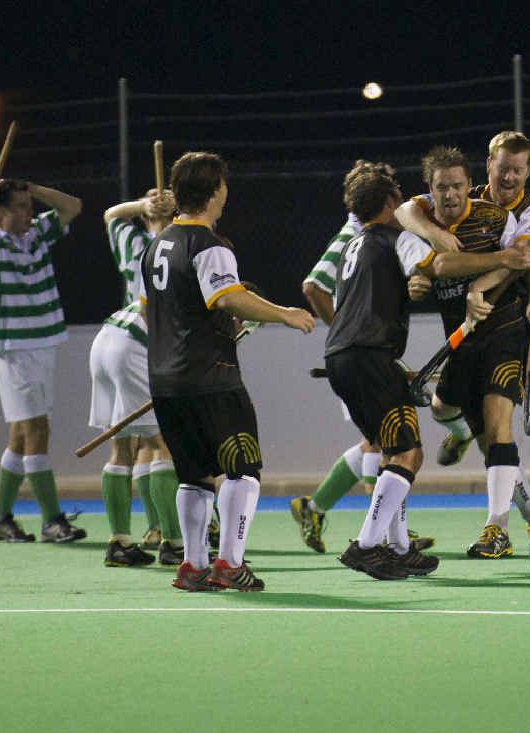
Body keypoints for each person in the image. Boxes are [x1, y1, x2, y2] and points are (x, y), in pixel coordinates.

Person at [140, 151, 315, 591]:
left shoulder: (155, 246)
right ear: (215, 191)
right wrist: (285, 313)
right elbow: (229, 297)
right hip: (211, 377)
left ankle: (193, 566)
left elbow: (152, 309)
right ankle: (229, 564)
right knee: (243, 469)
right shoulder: (209, 246)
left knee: (194, 475)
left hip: (165, 381)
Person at [405, 131, 530, 496]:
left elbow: (525, 261)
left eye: (517, 171)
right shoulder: (464, 194)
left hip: (522, 310)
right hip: (475, 320)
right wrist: (431, 236)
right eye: (503, 168)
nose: (509, 177)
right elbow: (406, 210)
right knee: (445, 407)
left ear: (528, 172)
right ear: (489, 165)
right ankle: (464, 436)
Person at [395, 145, 530, 570]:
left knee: (499, 429)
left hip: (505, 332)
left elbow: (526, 260)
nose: (450, 194)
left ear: (470, 184)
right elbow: (436, 267)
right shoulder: (415, 230)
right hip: (462, 341)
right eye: (441, 188)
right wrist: (418, 281)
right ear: (429, 191)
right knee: (467, 428)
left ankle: (495, 529)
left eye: (457, 186)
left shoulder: (497, 218)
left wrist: (492, 281)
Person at [325, 160, 476, 579]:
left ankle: (398, 546)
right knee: (410, 453)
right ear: (391, 202)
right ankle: (366, 545)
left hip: (340, 358)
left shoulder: (352, 245)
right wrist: (495, 260)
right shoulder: (399, 238)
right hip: (370, 356)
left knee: (391, 451)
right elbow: (432, 267)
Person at [290, 168, 433, 555]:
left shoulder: (358, 240)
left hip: (350, 353)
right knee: (397, 449)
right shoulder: (364, 236)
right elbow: (312, 286)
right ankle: (375, 541)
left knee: (383, 444)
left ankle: (392, 543)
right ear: (387, 201)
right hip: (363, 352)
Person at [0, 178, 86, 543]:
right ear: (2, 212)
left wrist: (32, 189)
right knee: (37, 431)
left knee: (21, 436)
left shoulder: (36, 234)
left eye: (29, 206)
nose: (29, 213)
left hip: (42, 342)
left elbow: (72, 206)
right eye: (20, 207)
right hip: (16, 347)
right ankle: (52, 520)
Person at [89, 187, 184, 567]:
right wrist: (147, 206)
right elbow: (111, 214)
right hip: (139, 341)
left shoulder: (138, 241)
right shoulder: (179, 245)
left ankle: (121, 542)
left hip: (109, 335)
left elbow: (113, 216)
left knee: (125, 446)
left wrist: (147, 208)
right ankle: (173, 543)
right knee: (164, 442)